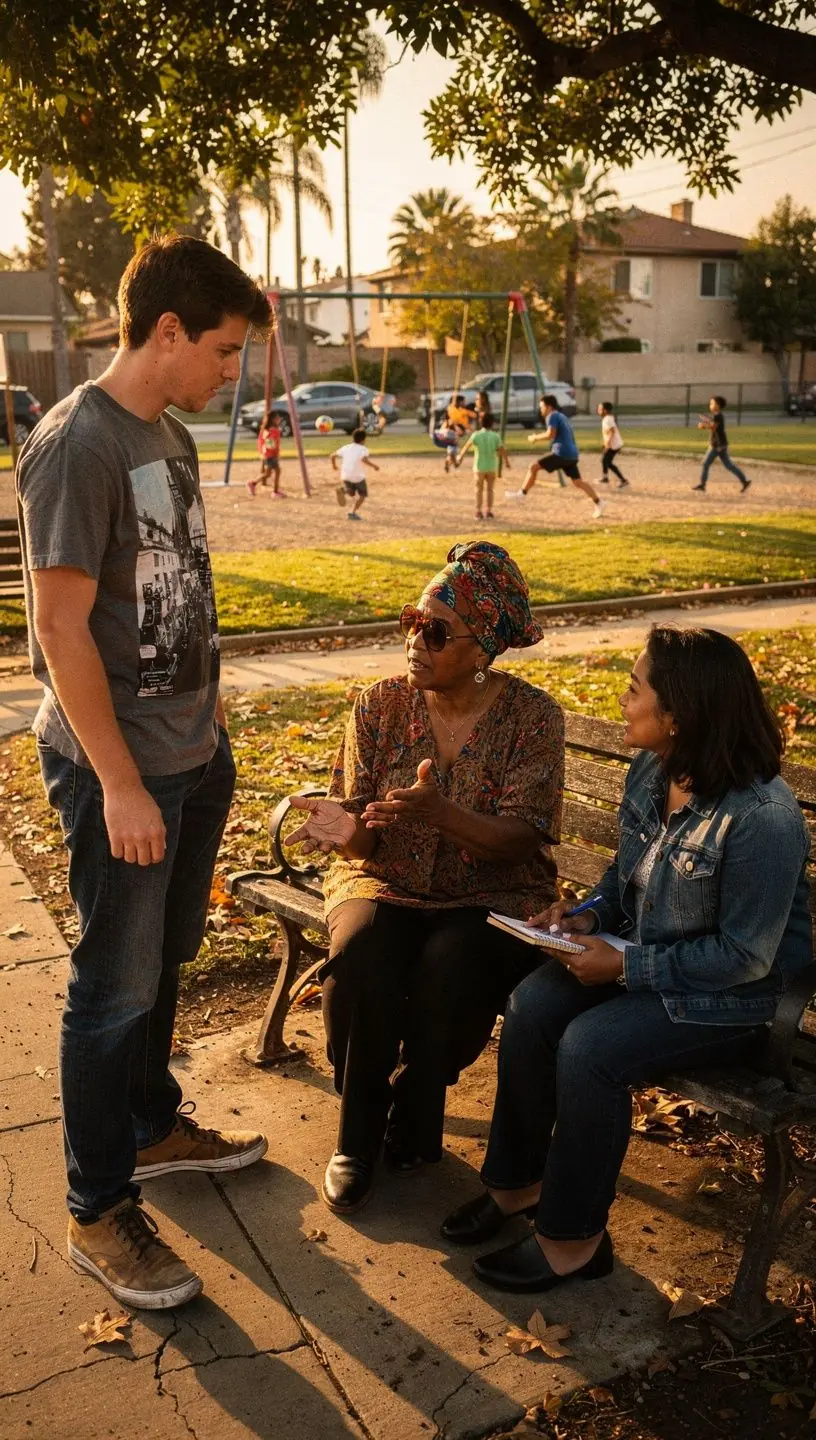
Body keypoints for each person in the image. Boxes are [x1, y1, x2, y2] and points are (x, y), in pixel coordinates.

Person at [15, 235, 272, 1311]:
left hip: (190, 755)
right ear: (167, 332)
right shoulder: (77, 444)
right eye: (222, 350)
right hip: (120, 768)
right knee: (111, 991)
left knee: (165, 959)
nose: (232, 372)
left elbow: (174, 595)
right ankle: (96, 1207)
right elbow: (60, 627)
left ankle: (151, 1125)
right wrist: (121, 784)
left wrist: (207, 728)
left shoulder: (163, 433)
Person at [442, 624, 812, 1295]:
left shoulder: (763, 817)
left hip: (741, 999)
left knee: (590, 1048)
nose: (622, 698)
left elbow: (743, 957)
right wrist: (584, 916)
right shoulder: (655, 767)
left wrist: (625, 969)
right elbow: (626, 874)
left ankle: (573, 1241)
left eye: (635, 688)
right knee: (532, 1005)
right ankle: (518, 1189)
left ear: (678, 715)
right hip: (655, 957)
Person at [286, 541, 565, 1215]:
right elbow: (363, 835)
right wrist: (345, 830)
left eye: (436, 631)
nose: (416, 641)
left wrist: (443, 814)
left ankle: (414, 1115)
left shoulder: (531, 718)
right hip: (387, 880)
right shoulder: (378, 706)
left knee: (452, 959)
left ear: (483, 649)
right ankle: (356, 1140)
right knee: (360, 952)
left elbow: (523, 836)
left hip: (492, 893)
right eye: (413, 620)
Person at [506, 396, 604, 520]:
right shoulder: (562, 416)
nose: (541, 410)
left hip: (561, 453)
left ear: (549, 407)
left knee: (533, 467)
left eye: (542, 407)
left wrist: (535, 438)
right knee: (578, 482)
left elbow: (550, 434)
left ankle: (522, 494)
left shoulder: (552, 416)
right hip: (572, 454)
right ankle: (599, 502)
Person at [456, 412, 510, 519]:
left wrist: (460, 456)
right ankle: (489, 511)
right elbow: (502, 450)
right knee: (490, 490)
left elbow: (466, 447)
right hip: (491, 467)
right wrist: (506, 462)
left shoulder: (476, 435)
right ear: (492, 424)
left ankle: (478, 511)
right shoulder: (495, 436)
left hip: (479, 467)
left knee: (478, 490)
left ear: (481, 423)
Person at [693, 396, 751, 494]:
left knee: (706, 464)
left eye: (713, 403)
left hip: (718, 445)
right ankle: (744, 482)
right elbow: (714, 425)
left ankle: (702, 485)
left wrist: (703, 426)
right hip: (719, 444)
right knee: (729, 466)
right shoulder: (717, 416)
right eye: (710, 403)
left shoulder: (718, 416)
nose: (711, 405)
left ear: (718, 406)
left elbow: (713, 427)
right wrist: (707, 421)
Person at [331, 426, 380, 521]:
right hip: (358, 477)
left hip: (345, 475)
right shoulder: (363, 449)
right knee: (363, 495)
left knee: (351, 493)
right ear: (363, 439)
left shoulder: (346, 447)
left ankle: (343, 490)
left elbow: (332, 456)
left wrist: (334, 466)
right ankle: (352, 513)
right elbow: (363, 459)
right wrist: (374, 466)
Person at [249, 410, 284, 498]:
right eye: (277, 418)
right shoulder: (274, 430)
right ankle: (275, 492)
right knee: (277, 471)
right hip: (270, 455)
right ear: (273, 419)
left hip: (267, 455)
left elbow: (264, 442)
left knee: (268, 474)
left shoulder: (266, 430)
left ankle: (253, 483)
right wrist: (275, 454)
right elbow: (271, 444)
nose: (279, 419)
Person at [597, 402, 629, 488]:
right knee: (607, 462)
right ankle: (618, 479)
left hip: (613, 445)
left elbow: (612, 431)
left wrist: (607, 444)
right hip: (615, 444)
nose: (598, 410)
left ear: (605, 410)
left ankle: (607, 478)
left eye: (600, 409)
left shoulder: (607, 419)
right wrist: (605, 443)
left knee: (605, 460)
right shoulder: (608, 418)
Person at [444, 392, 472, 472]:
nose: (464, 403)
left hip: (451, 433)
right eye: (463, 401)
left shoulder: (452, 409)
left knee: (453, 450)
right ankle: (454, 463)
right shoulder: (454, 410)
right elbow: (453, 421)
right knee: (453, 450)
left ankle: (449, 462)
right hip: (452, 433)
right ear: (459, 402)